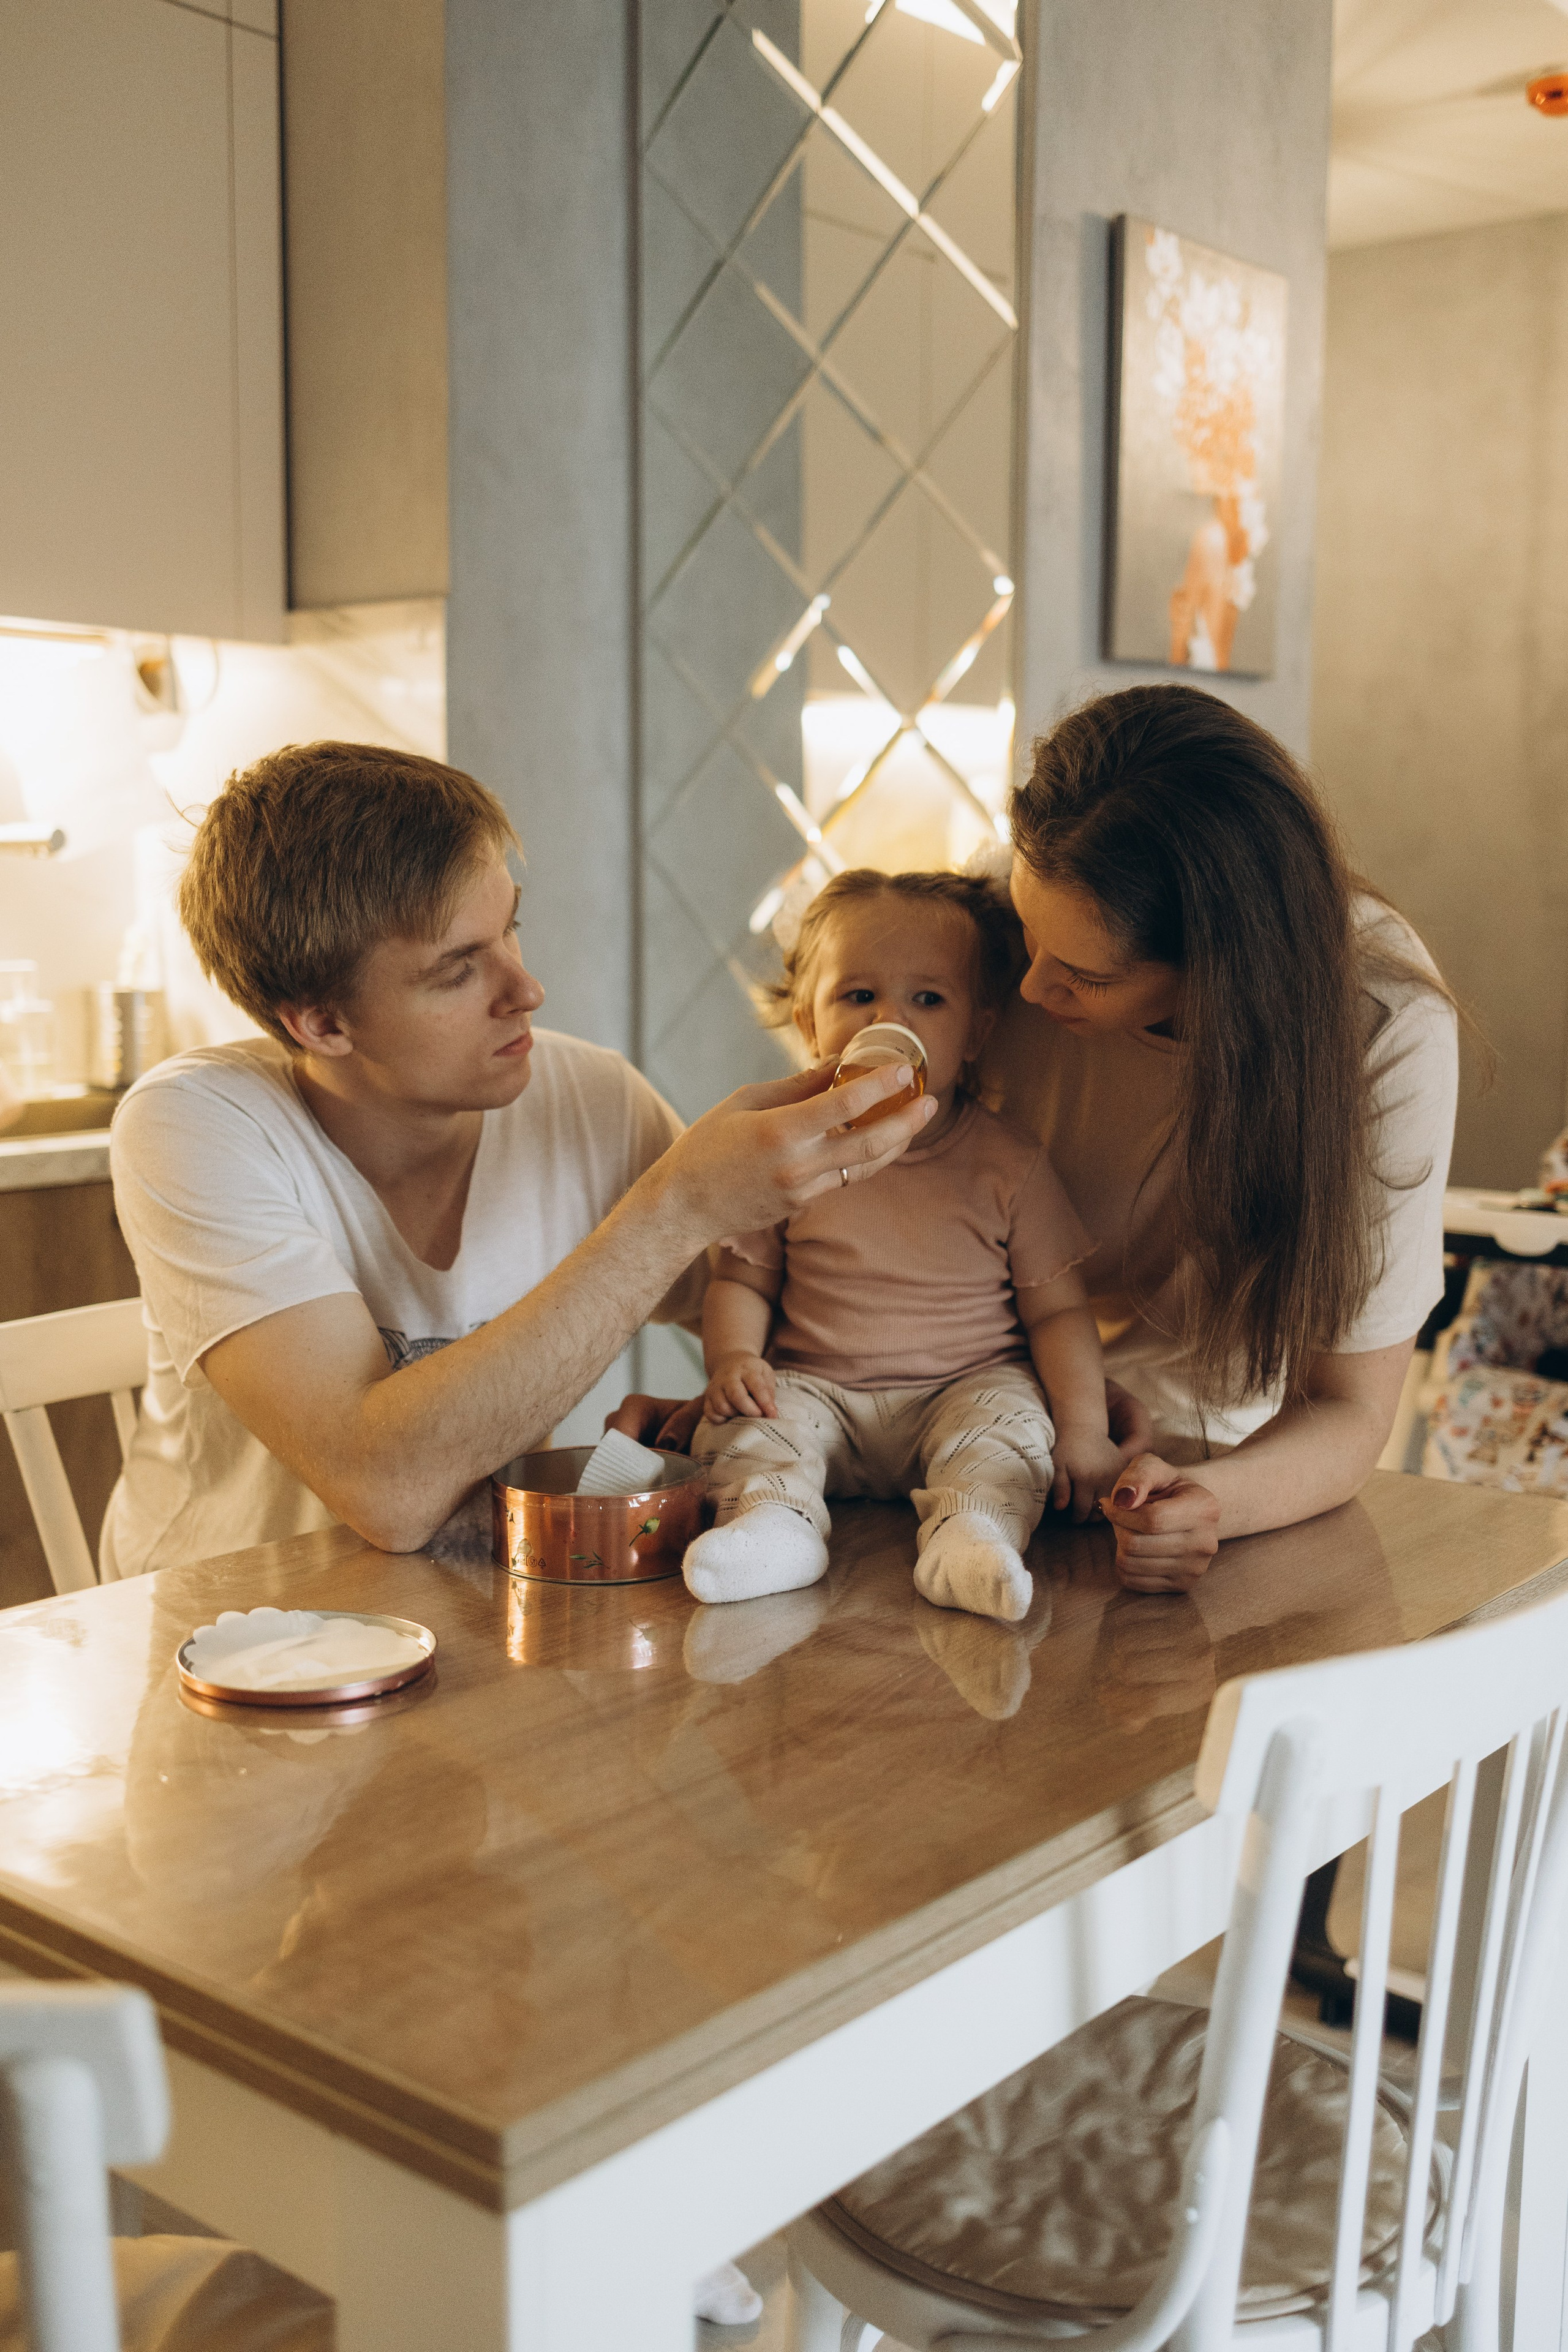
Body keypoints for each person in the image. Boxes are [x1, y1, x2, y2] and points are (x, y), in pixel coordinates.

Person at [102, 742, 935, 1580]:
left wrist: (717, 1404)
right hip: (228, 1627)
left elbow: (814, 1340)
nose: (526, 990)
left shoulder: (594, 1101)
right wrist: (678, 1208)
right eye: (457, 972)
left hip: (476, 1615)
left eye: (511, 929)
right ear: (322, 1024)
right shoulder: (196, 1125)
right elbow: (387, 1491)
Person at [992, 682, 1460, 1592]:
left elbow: (1346, 1409)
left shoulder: (1381, 1026)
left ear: (1220, 971)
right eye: (1023, 927)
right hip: (973, 1413)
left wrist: (1208, 1502)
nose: (1030, 989)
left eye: (1084, 978)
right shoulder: (1013, 913)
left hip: (1203, 1453)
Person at [682, 869, 1123, 1625]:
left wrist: (1086, 1430)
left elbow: (1057, 1314)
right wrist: (733, 1362)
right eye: (859, 996)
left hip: (964, 1384)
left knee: (1009, 1429)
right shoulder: (789, 1156)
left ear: (977, 1033)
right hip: (816, 1388)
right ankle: (774, 1526)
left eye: (928, 999)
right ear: (809, 1024)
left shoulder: (1008, 1163)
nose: (891, 1019)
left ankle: (973, 1533)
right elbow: (742, 1281)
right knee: (743, 1428)